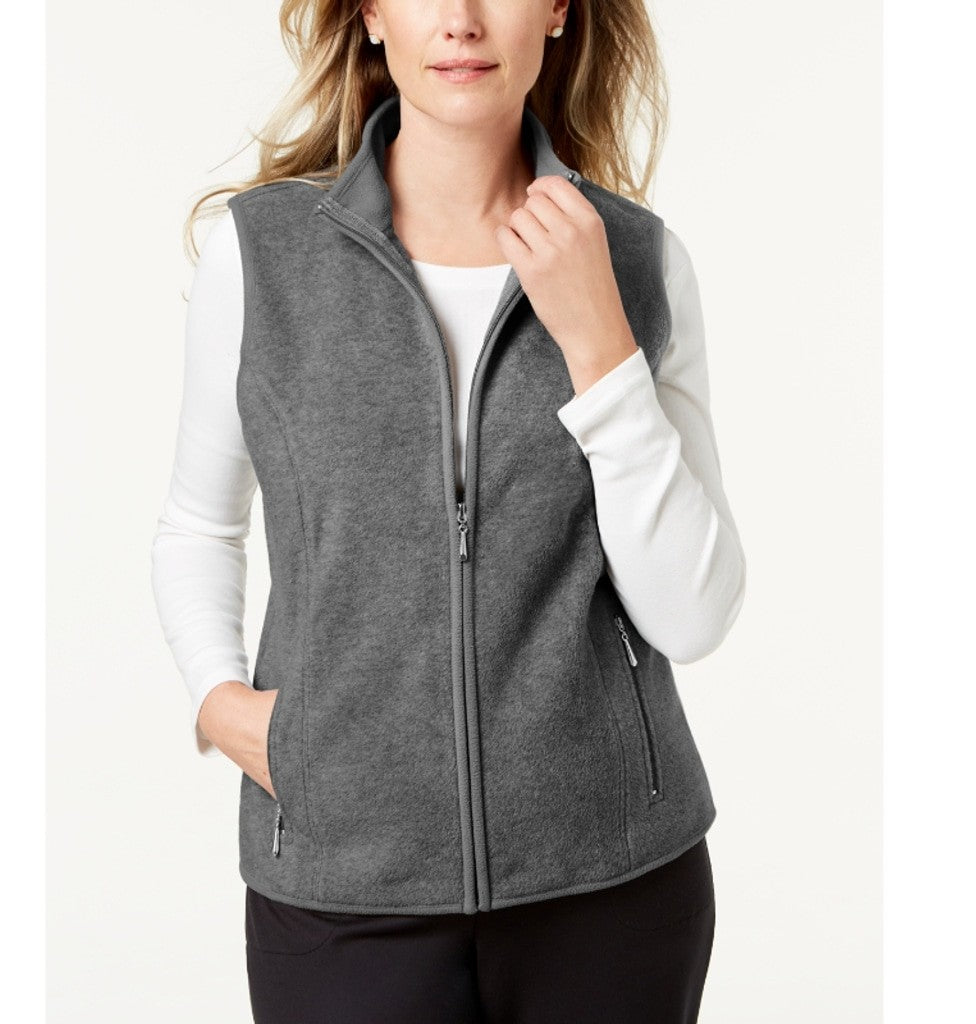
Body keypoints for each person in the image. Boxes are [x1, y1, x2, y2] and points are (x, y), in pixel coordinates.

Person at [151, 1, 747, 1020]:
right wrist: (220, 699)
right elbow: (199, 524)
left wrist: (598, 343)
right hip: (342, 883)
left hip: (613, 884)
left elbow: (692, 614)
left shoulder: (637, 259)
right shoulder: (262, 257)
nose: (462, 20)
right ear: (370, 14)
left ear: (556, 10)